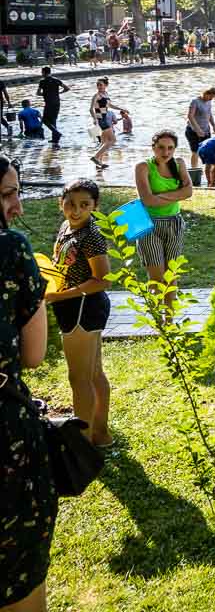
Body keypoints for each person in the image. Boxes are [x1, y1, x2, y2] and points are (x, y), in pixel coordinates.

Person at [0, 155, 57, 612]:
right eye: (6, 193)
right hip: (7, 439)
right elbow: (35, 355)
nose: (17, 205)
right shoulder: (11, 250)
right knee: (19, 581)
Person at [43, 179, 113, 447]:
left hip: (84, 308)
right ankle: (100, 434)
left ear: (95, 206)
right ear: (61, 202)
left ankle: (82, 441)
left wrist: (59, 296)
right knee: (93, 372)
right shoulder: (66, 227)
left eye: (84, 205)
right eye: (70, 204)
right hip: (72, 306)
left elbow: (102, 280)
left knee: (79, 377)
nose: (76, 210)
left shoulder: (91, 235)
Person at [134, 131, 194, 310]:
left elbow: (189, 192)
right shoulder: (143, 167)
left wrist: (159, 196)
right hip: (148, 224)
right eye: (161, 147)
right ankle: (156, 322)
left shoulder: (180, 163)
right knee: (157, 278)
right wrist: (176, 196)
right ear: (153, 147)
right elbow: (147, 200)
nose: (165, 152)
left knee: (172, 276)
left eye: (170, 148)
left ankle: (169, 321)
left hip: (174, 223)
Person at [185, 87, 215, 170]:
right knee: (195, 151)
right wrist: (198, 130)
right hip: (192, 131)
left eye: (212, 98)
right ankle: (194, 171)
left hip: (206, 131)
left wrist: (214, 125)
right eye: (210, 97)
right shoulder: (195, 101)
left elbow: (209, 114)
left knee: (209, 151)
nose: (211, 99)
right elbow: (190, 116)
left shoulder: (209, 102)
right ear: (206, 93)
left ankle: (211, 172)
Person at [36, 66, 68, 146]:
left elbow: (38, 93)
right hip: (57, 103)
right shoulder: (56, 80)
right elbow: (67, 88)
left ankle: (56, 133)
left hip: (48, 103)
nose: (41, 73)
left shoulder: (42, 81)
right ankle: (55, 139)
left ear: (43, 72)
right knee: (53, 120)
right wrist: (59, 93)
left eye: (42, 72)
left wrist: (45, 94)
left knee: (44, 120)